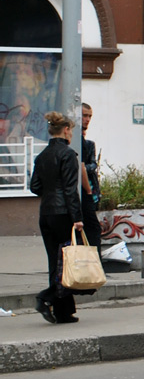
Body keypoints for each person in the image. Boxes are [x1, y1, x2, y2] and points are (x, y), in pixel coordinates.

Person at [29, 111, 84, 324]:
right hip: (63, 215)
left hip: (46, 214)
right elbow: (71, 190)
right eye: (71, 130)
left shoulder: (42, 156)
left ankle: (63, 312)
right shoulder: (68, 154)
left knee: (56, 261)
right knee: (68, 262)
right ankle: (46, 298)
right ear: (66, 130)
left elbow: (35, 187)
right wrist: (77, 218)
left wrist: (50, 192)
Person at [79, 103, 102, 263]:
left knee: (91, 228)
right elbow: (82, 166)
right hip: (82, 190)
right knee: (92, 228)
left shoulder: (88, 144)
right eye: (84, 115)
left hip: (90, 188)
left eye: (89, 116)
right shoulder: (76, 141)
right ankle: (93, 264)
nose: (87, 119)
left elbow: (92, 165)